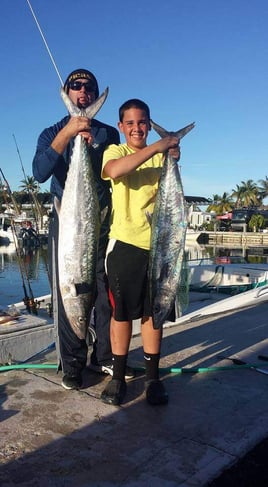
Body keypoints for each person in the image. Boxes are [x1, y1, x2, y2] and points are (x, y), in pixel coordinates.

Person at [32, 68, 134, 391]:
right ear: (68, 92)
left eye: (88, 87)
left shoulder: (107, 134)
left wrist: (90, 146)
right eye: (75, 86)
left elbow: (111, 172)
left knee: (105, 291)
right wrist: (70, 132)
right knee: (67, 291)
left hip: (99, 221)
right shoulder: (51, 132)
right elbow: (39, 172)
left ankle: (103, 356)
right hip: (66, 223)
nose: (83, 92)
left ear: (93, 94)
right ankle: (72, 364)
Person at [101, 98, 180, 406]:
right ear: (121, 127)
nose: (136, 128)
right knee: (121, 314)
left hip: (161, 247)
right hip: (125, 245)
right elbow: (115, 171)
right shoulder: (116, 151)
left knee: (153, 313)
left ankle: (152, 378)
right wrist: (159, 147)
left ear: (149, 124)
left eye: (142, 122)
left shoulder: (161, 161)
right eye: (130, 123)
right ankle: (118, 377)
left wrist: (172, 156)